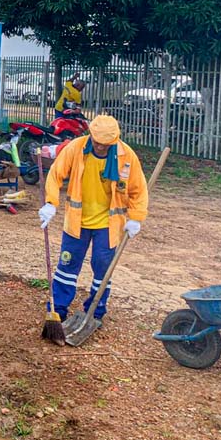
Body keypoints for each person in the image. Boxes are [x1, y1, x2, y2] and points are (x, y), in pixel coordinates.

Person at [39, 115, 148, 323]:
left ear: (114, 141)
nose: (100, 148)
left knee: (102, 268)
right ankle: (58, 308)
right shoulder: (76, 148)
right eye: (97, 143)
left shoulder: (127, 156)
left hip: (108, 224)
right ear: (90, 136)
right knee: (67, 265)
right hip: (77, 221)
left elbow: (138, 189)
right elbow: (55, 174)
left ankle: (95, 312)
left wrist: (135, 217)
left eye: (106, 145)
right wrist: (51, 203)